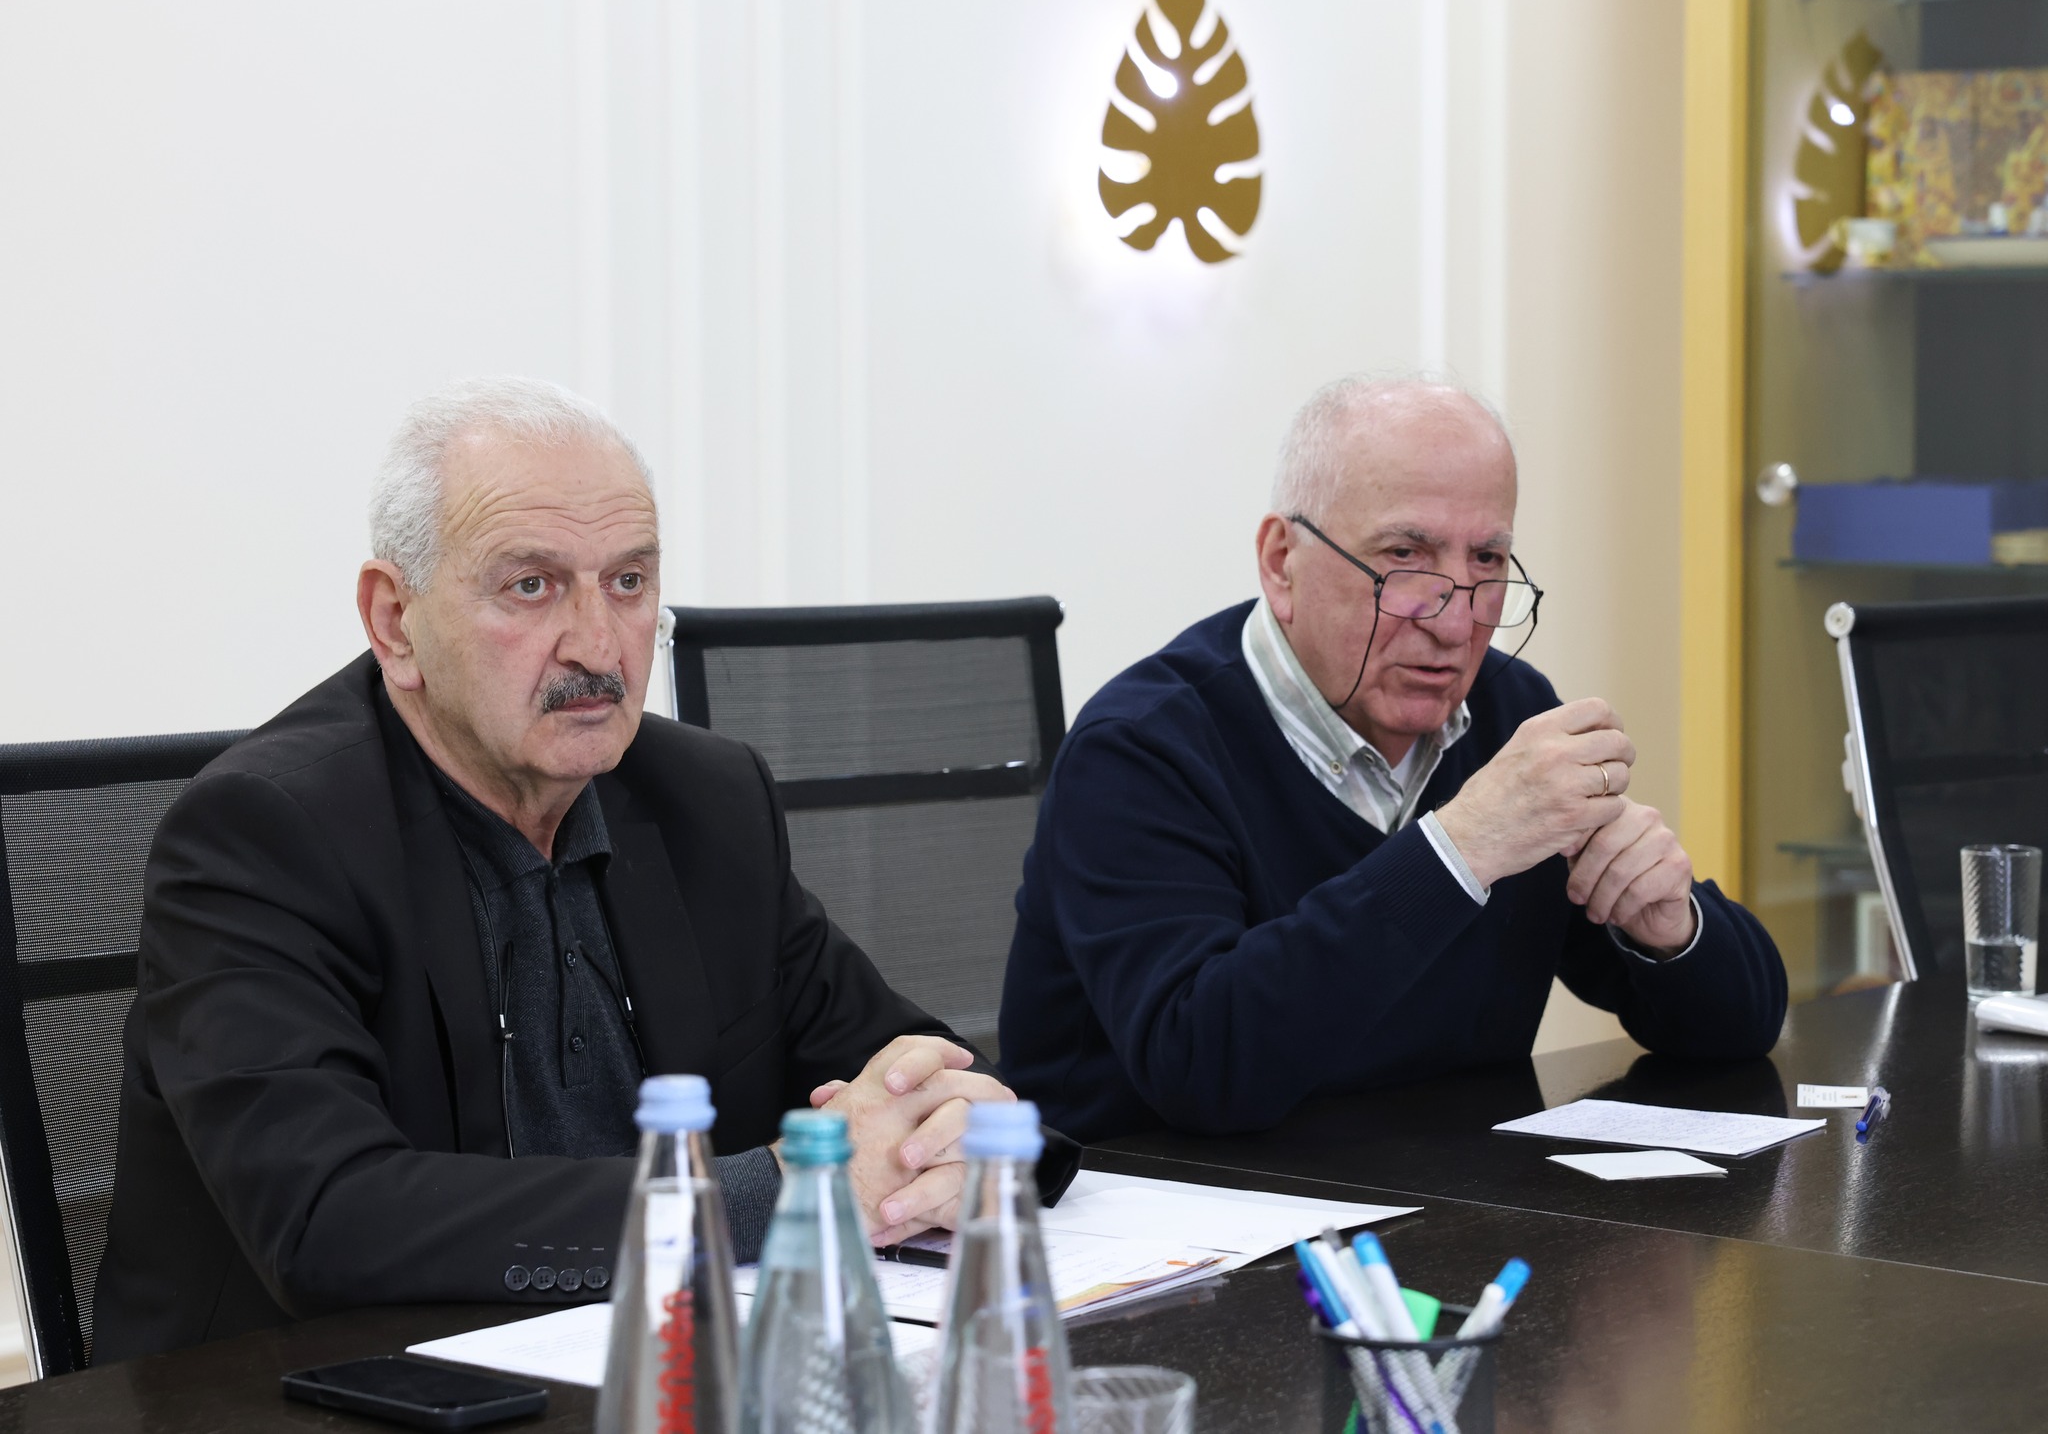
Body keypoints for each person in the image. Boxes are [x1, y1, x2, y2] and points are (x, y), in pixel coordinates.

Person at [95, 378, 1053, 1361]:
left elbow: (904, 1058)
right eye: (531, 585)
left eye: (628, 581)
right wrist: (781, 1192)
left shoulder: (705, 796)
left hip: (653, 1362)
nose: (598, 646)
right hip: (313, 1385)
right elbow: (329, 1216)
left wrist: (973, 1131)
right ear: (395, 621)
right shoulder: (262, 835)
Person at [998, 374, 1787, 1144]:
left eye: (1487, 560)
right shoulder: (1140, 749)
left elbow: (1742, 1030)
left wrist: (1669, 930)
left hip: (1445, 1203)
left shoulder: (1508, 712)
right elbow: (1204, 1066)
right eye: (1406, 555)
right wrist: (1460, 850)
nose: (1456, 622)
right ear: (1281, 561)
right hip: (1162, 1210)